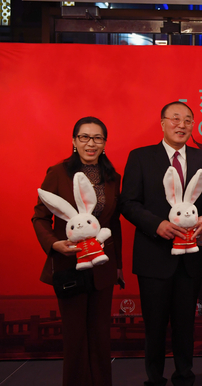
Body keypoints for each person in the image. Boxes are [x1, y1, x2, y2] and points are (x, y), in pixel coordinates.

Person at [119, 101, 202, 386]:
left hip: (190, 257)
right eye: (175, 119)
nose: (181, 125)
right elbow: (128, 203)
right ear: (162, 123)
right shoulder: (141, 157)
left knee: (186, 324)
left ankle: (184, 375)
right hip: (154, 256)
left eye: (187, 120)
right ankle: (154, 379)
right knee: (155, 325)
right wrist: (157, 225)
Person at [32, 116, 123, 386]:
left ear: (104, 143)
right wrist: (54, 244)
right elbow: (40, 217)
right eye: (84, 137)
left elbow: (113, 223)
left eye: (97, 138)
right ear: (74, 141)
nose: (90, 143)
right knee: (75, 336)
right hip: (68, 265)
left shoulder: (112, 177)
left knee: (100, 334)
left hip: (103, 265)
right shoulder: (58, 172)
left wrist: (118, 265)